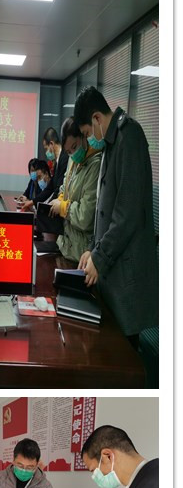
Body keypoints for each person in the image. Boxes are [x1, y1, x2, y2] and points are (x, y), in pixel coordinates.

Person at [73, 86, 157, 345]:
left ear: (97, 118)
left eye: (88, 133)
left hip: (125, 274)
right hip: (112, 270)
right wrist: (91, 249)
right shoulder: (112, 143)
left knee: (124, 353)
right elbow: (104, 209)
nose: (89, 140)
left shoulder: (129, 136)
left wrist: (100, 257)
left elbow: (126, 214)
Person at [46, 119, 102, 262]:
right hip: (65, 246)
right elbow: (65, 186)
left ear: (84, 136)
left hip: (81, 254)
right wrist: (60, 198)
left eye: (75, 147)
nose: (73, 153)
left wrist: (63, 207)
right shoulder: (72, 160)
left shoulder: (95, 165)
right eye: (68, 151)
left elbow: (85, 217)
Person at [21, 127, 67, 212]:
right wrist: (32, 202)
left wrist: (45, 208)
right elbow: (50, 188)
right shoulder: (57, 161)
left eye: (46, 148)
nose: (46, 153)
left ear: (51, 144)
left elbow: (58, 189)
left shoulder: (64, 158)